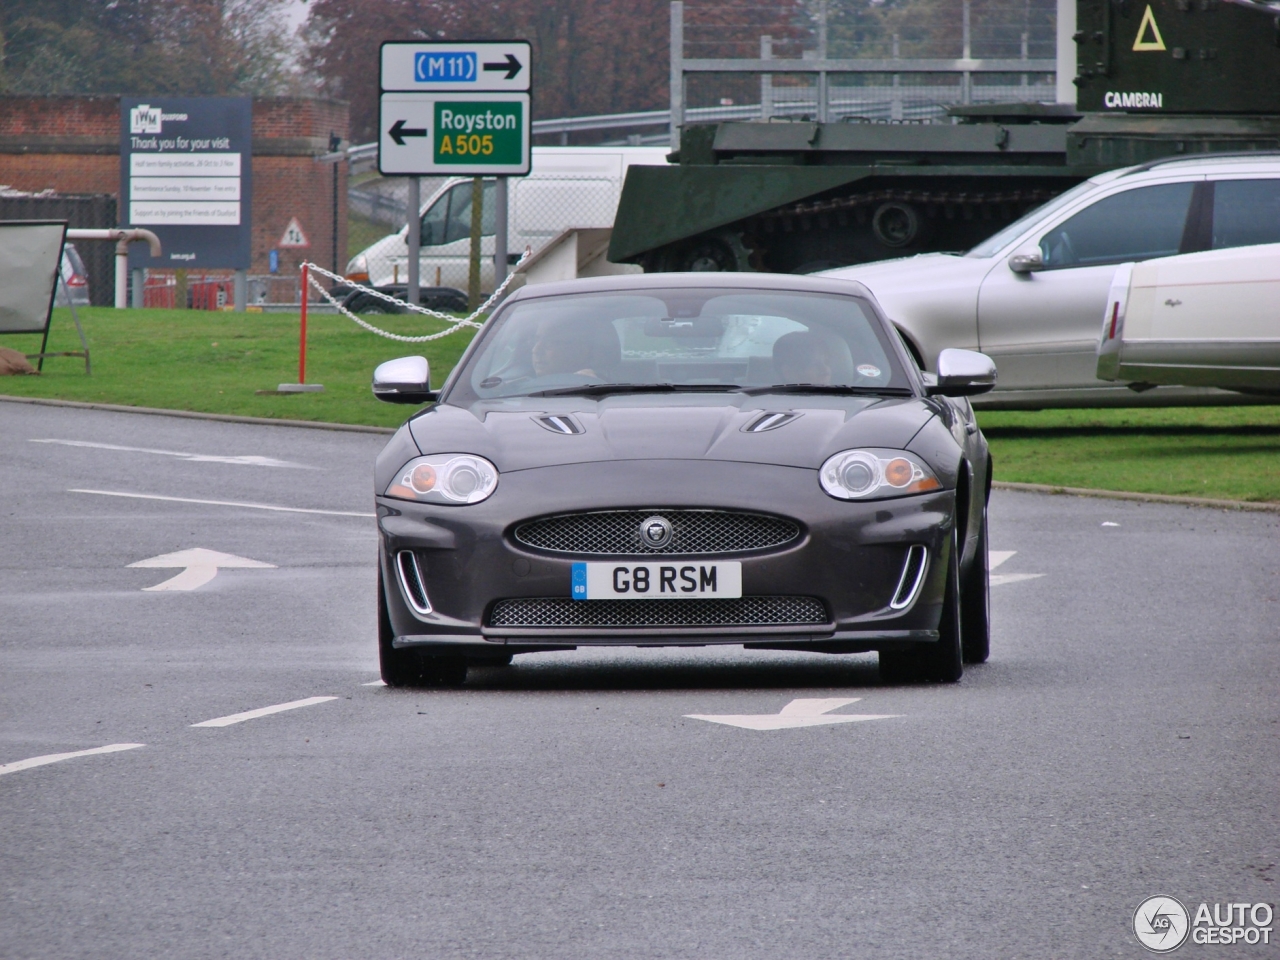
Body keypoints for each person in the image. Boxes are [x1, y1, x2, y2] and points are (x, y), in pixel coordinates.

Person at [531, 318, 598, 378]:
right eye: (536, 340)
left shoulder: (599, 386)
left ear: (579, 351)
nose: (535, 350)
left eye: (549, 343)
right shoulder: (523, 387)